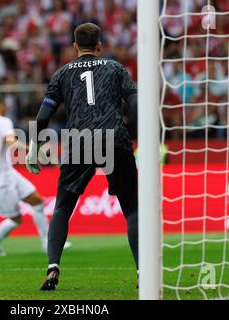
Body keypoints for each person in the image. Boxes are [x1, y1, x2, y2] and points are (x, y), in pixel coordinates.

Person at [26, 22, 139, 290]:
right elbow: (135, 102)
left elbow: (44, 116)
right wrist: (139, 133)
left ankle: (53, 267)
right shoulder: (115, 68)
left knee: (63, 207)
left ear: (75, 46)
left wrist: (32, 148)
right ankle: (142, 271)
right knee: (133, 209)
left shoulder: (62, 74)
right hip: (113, 137)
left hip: (78, 141)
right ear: (99, 45)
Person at [0, 95, 70, 256]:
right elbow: (11, 142)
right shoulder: (4, 122)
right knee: (16, 219)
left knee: (38, 202)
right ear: (3, 106)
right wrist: (31, 149)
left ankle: (47, 243)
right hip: (0, 181)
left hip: (7, 174)